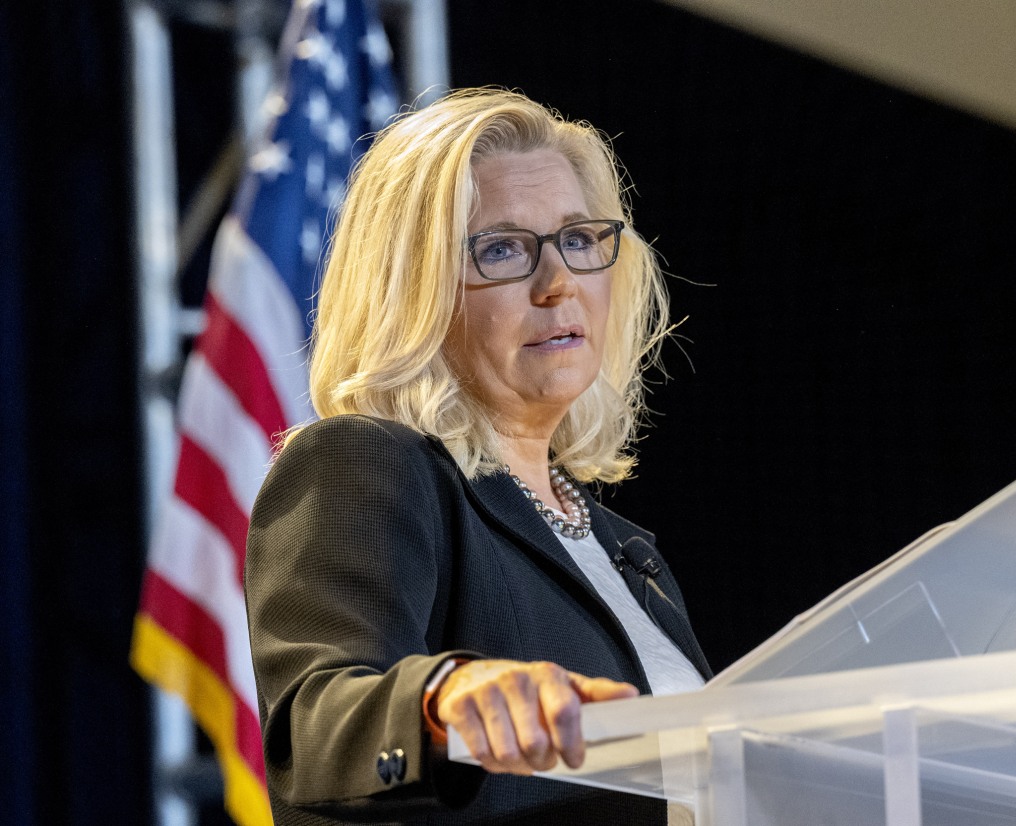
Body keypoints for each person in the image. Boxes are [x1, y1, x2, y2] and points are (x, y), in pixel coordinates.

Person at [245, 88, 711, 826]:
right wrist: (445, 700)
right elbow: (313, 729)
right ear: (413, 291)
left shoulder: (626, 551)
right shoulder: (364, 462)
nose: (558, 284)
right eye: (502, 250)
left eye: (578, 239)